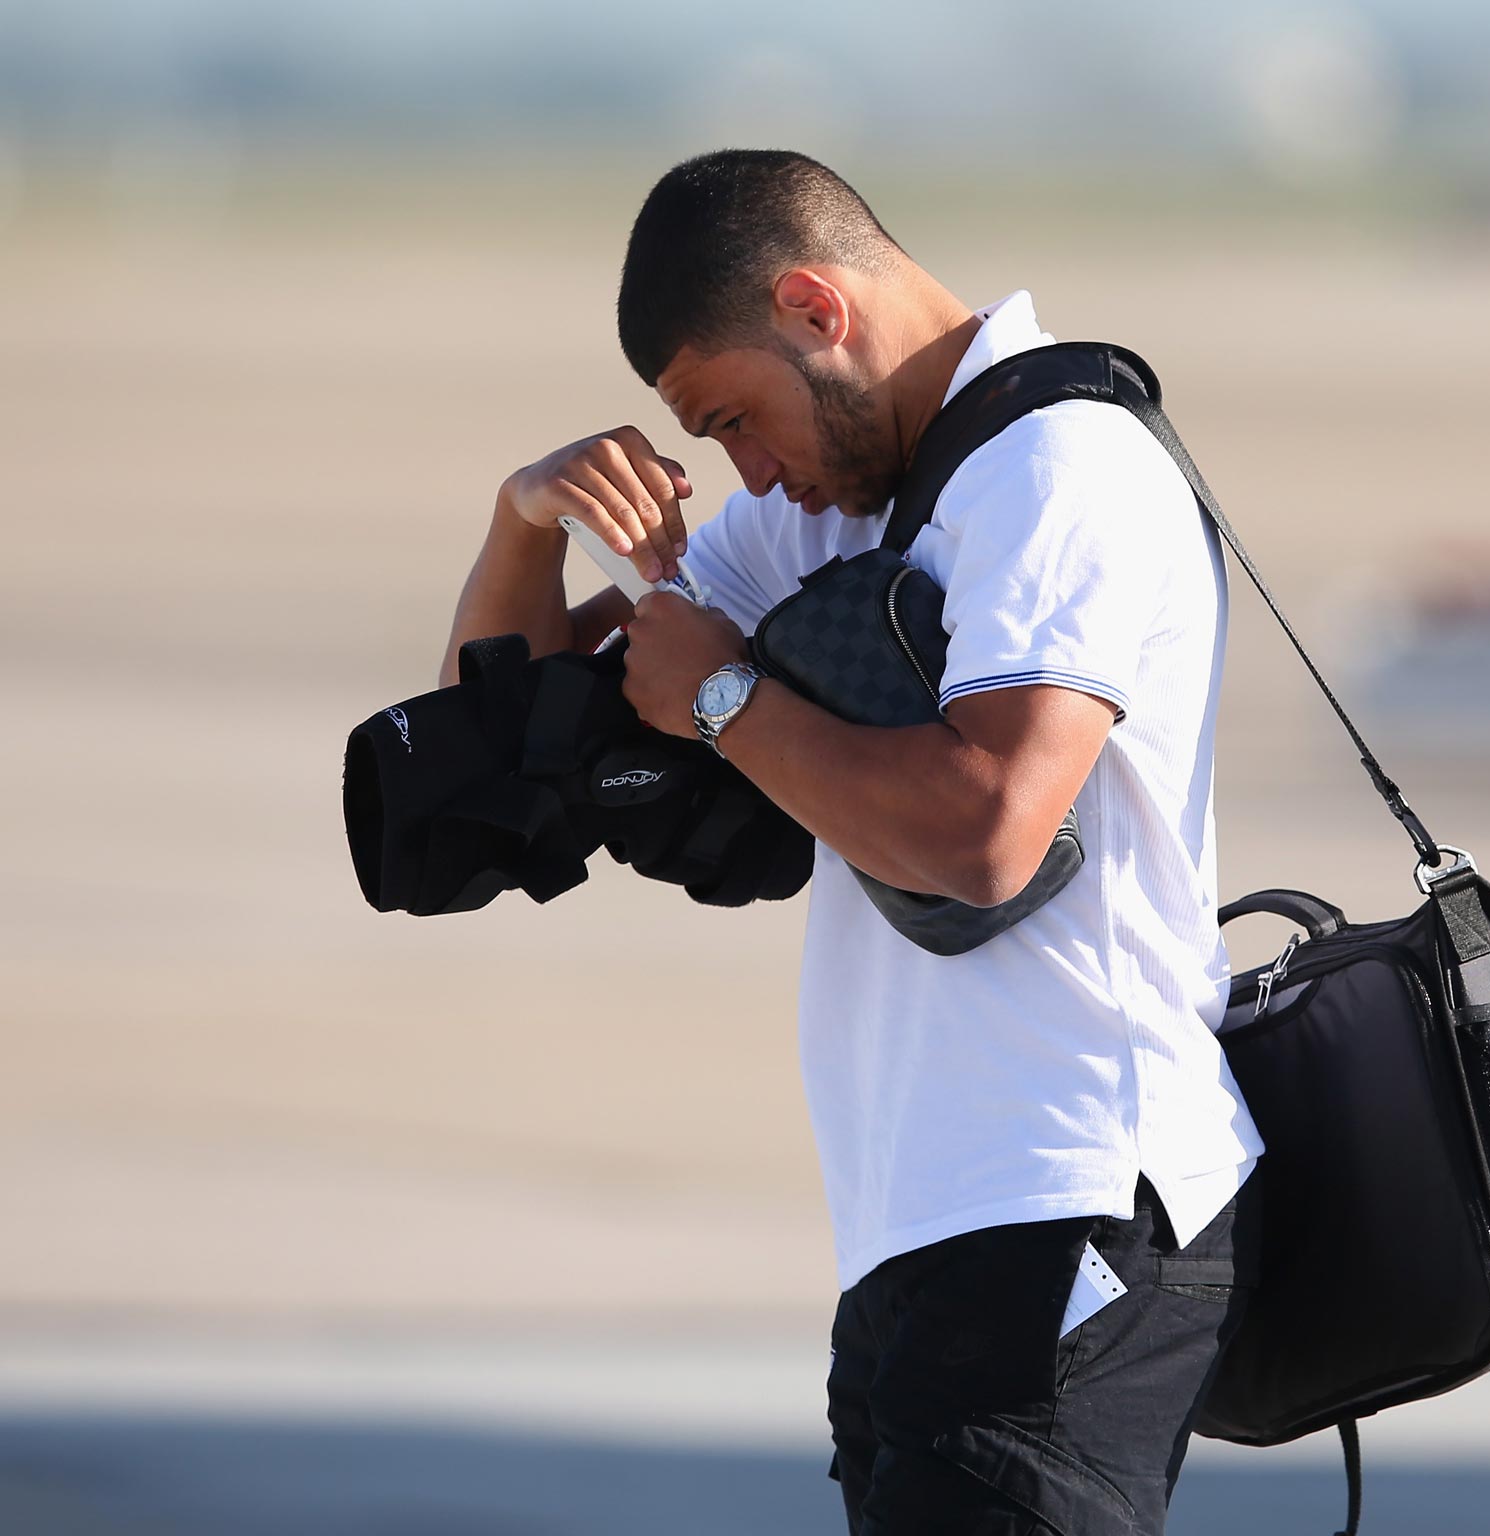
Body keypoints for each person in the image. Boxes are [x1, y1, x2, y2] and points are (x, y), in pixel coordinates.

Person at [439, 148, 1266, 1535]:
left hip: (1067, 1201)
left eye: (736, 421)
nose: (743, 470)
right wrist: (526, 523)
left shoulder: (1059, 468)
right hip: (921, 1225)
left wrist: (723, 695)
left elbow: (988, 834)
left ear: (816, 308)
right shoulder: (840, 510)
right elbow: (504, 745)